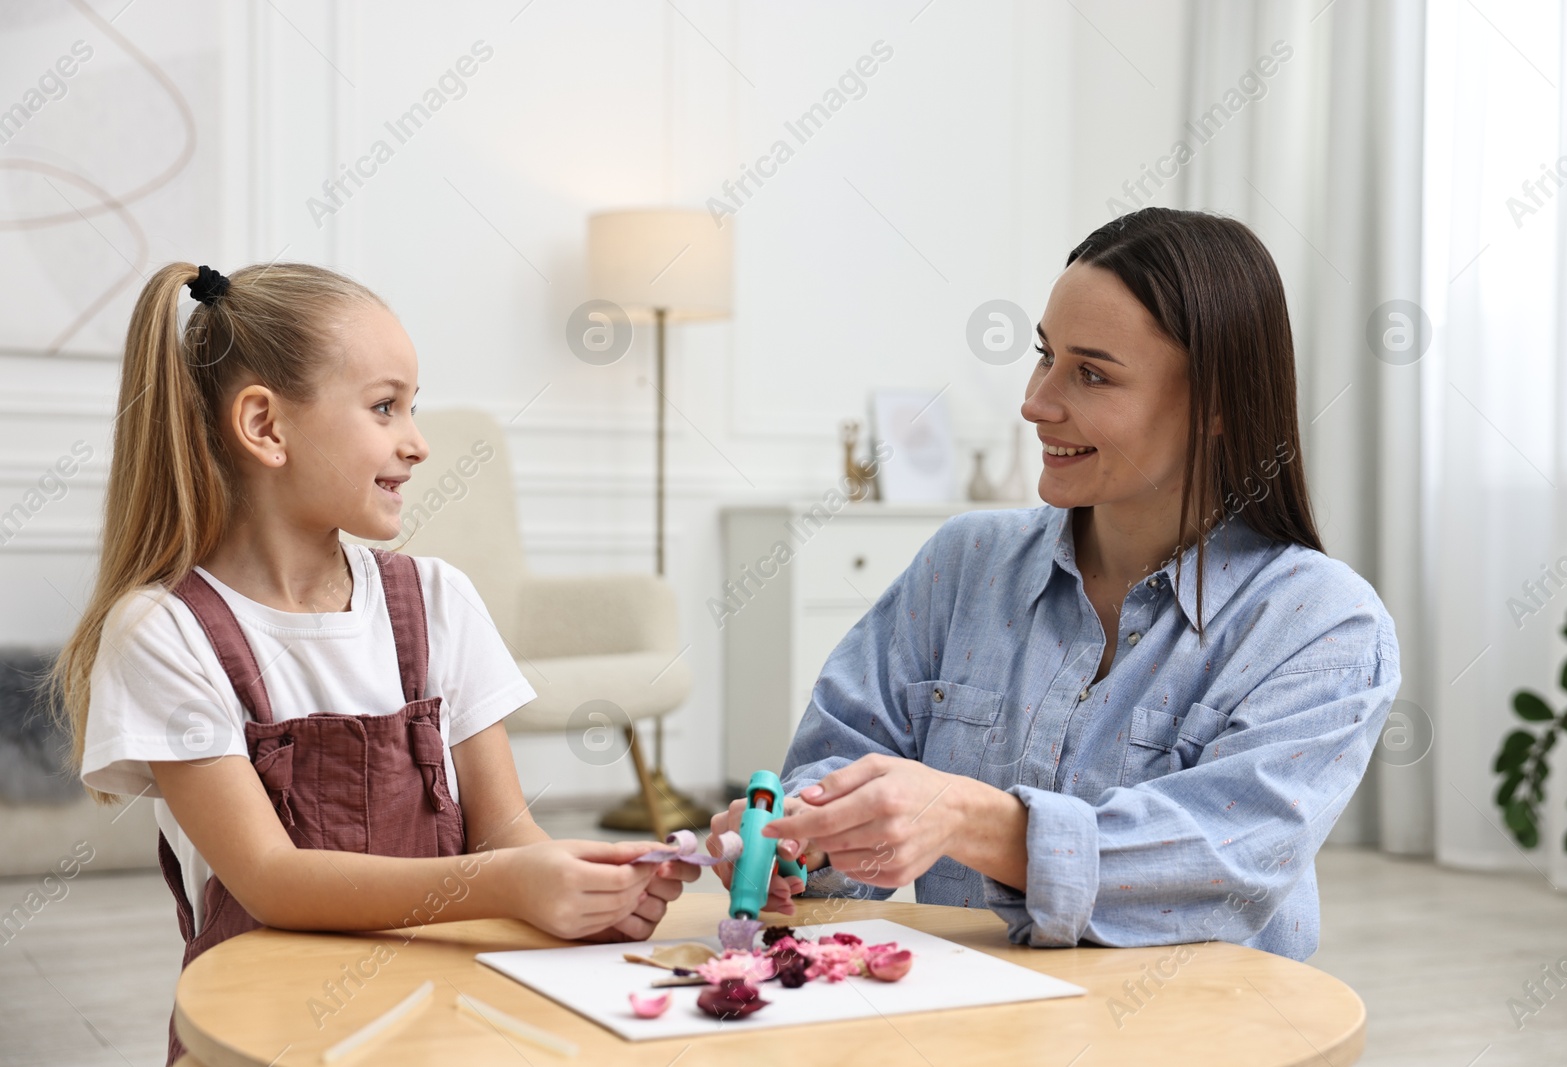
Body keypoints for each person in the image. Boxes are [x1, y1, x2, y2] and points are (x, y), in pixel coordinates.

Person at [708, 207, 1401, 962]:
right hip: (978, 1022)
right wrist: (795, 845)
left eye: (1092, 373)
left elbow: (1222, 864)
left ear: (1219, 406)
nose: (1036, 402)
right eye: (1045, 356)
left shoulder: (1322, 623)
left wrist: (968, 817)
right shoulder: (962, 563)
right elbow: (841, 761)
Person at [52, 262, 698, 1065]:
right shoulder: (165, 630)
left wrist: (579, 887)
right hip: (264, 1029)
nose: (419, 443)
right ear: (266, 425)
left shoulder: (438, 599)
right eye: (386, 406)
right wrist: (506, 882)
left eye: (413, 408)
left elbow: (502, 828)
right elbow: (269, 875)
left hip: (447, 1020)